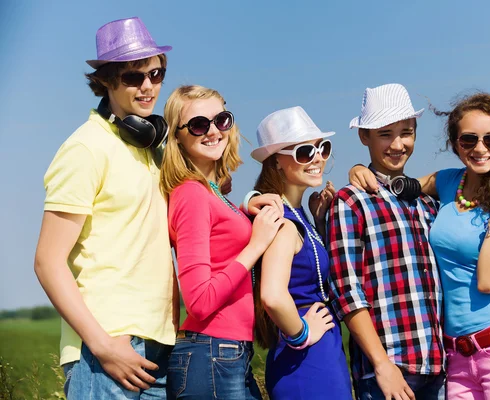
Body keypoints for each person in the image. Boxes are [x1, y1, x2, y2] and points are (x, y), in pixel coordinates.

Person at [349, 91, 490, 398]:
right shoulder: (448, 183)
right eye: (469, 140)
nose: (480, 149)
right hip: (455, 358)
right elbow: (399, 185)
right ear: (456, 144)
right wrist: (360, 170)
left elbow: (488, 281)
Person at [34, 17, 177, 398]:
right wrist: (102, 345)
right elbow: (47, 261)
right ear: (105, 81)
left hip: (160, 340)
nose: (148, 86)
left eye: (156, 73)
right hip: (108, 350)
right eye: (133, 77)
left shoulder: (153, 149)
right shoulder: (86, 149)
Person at [160, 85, 283, 399]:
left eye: (221, 120)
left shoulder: (211, 191)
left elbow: (217, 241)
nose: (213, 131)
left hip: (226, 353)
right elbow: (199, 300)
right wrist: (255, 245)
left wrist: (244, 209)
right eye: (199, 125)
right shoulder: (191, 194)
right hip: (211, 352)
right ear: (177, 136)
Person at [328, 83, 446, 400]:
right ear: (364, 136)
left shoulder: (427, 204)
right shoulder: (351, 201)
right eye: (385, 134)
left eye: (406, 132)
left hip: (438, 368)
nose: (397, 144)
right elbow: (347, 292)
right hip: (388, 373)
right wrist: (382, 365)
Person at [249, 106, 353, 399]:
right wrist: (303, 333)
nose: (318, 157)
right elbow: (272, 294)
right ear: (277, 162)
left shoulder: (297, 217)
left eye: (322, 148)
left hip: (317, 355)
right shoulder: (283, 224)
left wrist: (317, 221)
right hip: (307, 360)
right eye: (304, 152)